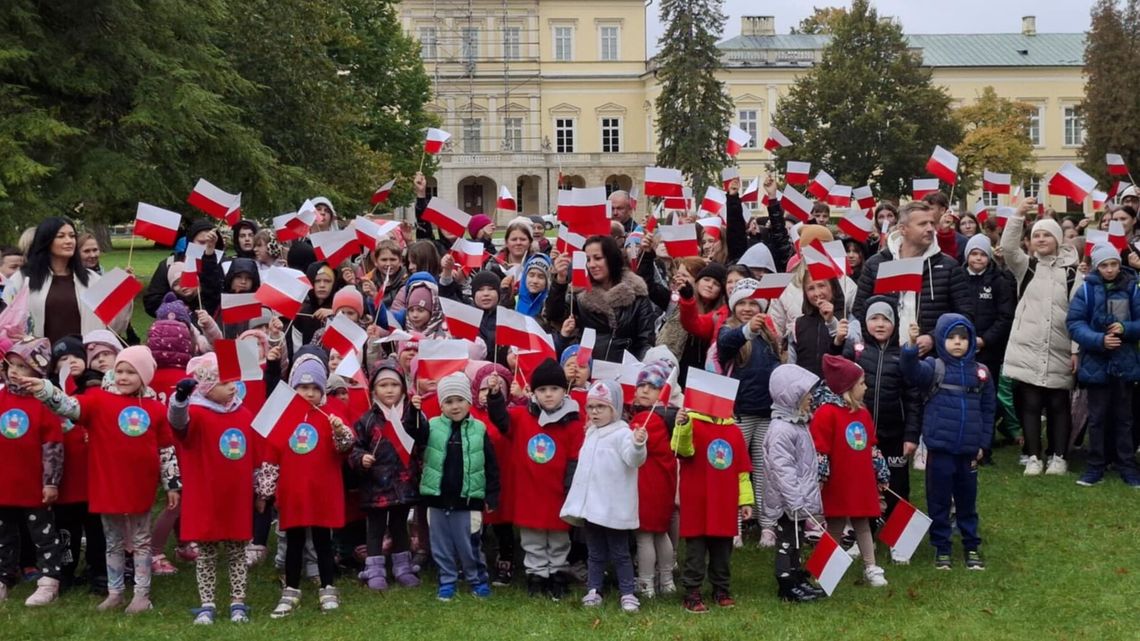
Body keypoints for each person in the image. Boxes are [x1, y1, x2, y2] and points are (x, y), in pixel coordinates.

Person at [20, 345, 179, 613]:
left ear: (145, 376)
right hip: (108, 485)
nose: (124, 377)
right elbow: (68, 406)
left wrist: (172, 483)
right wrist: (45, 390)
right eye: (120, 371)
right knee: (112, 541)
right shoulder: (98, 401)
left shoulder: (155, 409)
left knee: (140, 541)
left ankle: (141, 595)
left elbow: (167, 450)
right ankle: (115, 592)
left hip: (140, 486)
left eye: (131, 372)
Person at [258, 353, 354, 617]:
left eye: (315, 388)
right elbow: (271, 453)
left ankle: (327, 586)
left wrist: (339, 430)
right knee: (294, 541)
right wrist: (265, 491)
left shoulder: (333, 411)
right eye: (303, 387)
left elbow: (345, 447)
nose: (309, 393)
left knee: (323, 541)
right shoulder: (284, 413)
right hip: (294, 491)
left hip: (323, 489)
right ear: (294, 387)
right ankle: (291, 589)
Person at [167, 353, 256, 624]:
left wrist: (259, 485)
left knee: (237, 552)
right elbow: (177, 423)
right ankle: (207, 603)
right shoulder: (196, 414)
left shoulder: (243, 413)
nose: (232, 386)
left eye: (233, 381)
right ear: (206, 387)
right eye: (223, 382)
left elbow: (252, 453)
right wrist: (180, 399)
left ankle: (238, 602)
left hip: (237, 496)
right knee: (206, 553)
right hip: (206, 495)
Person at [901, 315, 994, 571]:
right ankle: (942, 547)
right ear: (941, 339)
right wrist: (910, 347)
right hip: (940, 449)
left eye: (963, 338)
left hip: (968, 452)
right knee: (939, 500)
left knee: (967, 501)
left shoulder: (981, 372)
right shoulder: (934, 367)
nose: (957, 343)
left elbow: (988, 410)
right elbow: (911, 372)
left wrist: (982, 444)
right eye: (952, 337)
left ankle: (971, 545)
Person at [1000, 198, 1080, 476]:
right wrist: (1018, 215)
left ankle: (1059, 456)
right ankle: (1034, 456)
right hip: (1028, 348)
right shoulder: (1027, 267)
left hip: (1060, 347)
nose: (1042, 239)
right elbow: (1009, 248)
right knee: (1030, 405)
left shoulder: (1073, 272)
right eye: (1037, 235)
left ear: (1058, 239)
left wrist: (1076, 349)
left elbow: (1079, 313)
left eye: (1047, 234)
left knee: (1059, 406)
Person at [408, 372, 499, 602]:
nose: (455, 406)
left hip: (468, 500)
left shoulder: (479, 429)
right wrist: (414, 412)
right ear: (441, 405)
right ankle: (447, 581)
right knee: (441, 546)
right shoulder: (432, 426)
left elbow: (491, 464)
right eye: (448, 401)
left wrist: (492, 495)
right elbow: (414, 433)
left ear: (469, 401)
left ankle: (477, 579)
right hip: (438, 500)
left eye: (459, 400)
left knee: (469, 545)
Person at [561, 379, 647, 613]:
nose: (595, 412)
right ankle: (594, 588)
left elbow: (633, 459)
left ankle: (628, 592)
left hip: (613, 507)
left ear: (615, 409)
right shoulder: (591, 433)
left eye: (602, 407)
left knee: (620, 552)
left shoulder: (623, 434)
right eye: (591, 407)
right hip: (592, 507)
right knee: (595, 551)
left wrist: (639, 444)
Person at [671, 379, 753, 613]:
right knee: (696, 549)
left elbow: (741, 471)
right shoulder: (692, 424)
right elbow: (680, 449)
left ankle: (721, 588)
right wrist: (682, 426)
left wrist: (745, 500)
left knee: (722, 550)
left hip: (724, 503)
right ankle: (692, 591)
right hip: (697, 500)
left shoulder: (734, 432)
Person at [844, 298, 921, 544]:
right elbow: (833, 365)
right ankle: (862, 536)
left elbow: (912, 398)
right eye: (874, 318)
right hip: (861, 437)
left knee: (897, 486)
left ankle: (899, 539)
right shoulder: (856, 352)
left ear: (895, 323)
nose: (879, 324)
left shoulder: (902, 357)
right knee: (862, 487)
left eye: (886, 319)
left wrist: (911, 435)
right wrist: (838, 339)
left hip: (894, 434)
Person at [811, 355, 890, 588]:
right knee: (834, 525)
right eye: (862, 383)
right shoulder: (826, 413)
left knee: (862, 522)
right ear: (848, 387)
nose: (865, 387)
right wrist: (821, 477)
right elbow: (821, 449)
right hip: (838, 480)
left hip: (861, 480)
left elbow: (871, 447)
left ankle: (871, 566)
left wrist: (881, 474)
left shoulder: (863, 414)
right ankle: (824, 568)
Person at [854, 201, 973, 356]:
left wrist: (933, 337)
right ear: (903, 229)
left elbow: (964, 314)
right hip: (884, 359)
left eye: (931, 223)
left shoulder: (949, 266)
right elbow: (859, 310)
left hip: (930, 361)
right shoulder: (877, 264)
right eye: (923, 224)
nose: (930, 228)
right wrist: (879, 338)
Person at [508, 359, 583, 600]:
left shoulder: (573, 421)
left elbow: (575, 457)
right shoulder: (523, 415)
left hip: (558, 490)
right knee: (533, 537)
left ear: (564, 390)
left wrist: (570, 487)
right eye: (542, 390)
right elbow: (502, 422)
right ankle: (536, 574)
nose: (548, 395)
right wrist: (498, 398)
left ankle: (558, 574)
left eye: (554, 389)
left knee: (559, 537)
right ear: (533, 392)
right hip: (531, 490)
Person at [715, 278, 782, 546]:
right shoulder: (728, 330)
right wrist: (746, 330)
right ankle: (735, 525)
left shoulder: (769, 335)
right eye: (741, 303)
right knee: (735, 470)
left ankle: (767, 524)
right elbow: (726, 345)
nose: (747, 307)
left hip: (766, 413)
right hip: (739, 414)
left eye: (753, 303)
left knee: (764, 469)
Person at [1066, 244, 1140, 487]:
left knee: (1124, 418)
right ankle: (1095, 465)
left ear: (1119, 264)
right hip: (1096, 363)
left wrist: (1125, 328)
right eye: (1104, 265)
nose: (1109, 269)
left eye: (1114, 264)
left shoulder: (1131, 287)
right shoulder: (1086, 289)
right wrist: (1099, 340)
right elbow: (1075, 323)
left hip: (1124, 362)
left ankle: (1127, 465)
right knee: (1097, 418)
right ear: (1097, 266)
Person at [349, 360, 426, 591]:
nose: (389, 390)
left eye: (394, 384)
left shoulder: (410, 414)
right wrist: (361, 459)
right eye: (383, 385)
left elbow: (421, 437)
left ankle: (402, 567)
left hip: (403, 483)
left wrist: (417, 412)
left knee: (399, 525)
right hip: (375, 486)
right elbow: (355, 448)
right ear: (373, 389)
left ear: (403, 388)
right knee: (375, 527)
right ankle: (374, 569)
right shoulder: (367, 420)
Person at [0, 338, 65, 606]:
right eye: (11, 365)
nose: (14, 371)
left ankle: (49, 579)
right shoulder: (1, 396)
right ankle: (4, 576)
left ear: (37, 371)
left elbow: (53, 447)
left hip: (33, 485)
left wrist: (51, 482)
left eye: (22, 366)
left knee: (43, 534)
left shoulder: (43, 402)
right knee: (3, 535)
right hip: (4, 482)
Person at [3, 217, 132, 344]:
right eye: (61, 236)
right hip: (37, 359)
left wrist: (124, 291)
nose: (69, 241)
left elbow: (111, 325)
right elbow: (6, 320)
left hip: (81, 359)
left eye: (72, 236)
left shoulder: (91, 279)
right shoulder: (23, 279)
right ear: (46, 240)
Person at [762, 363, 826, 602]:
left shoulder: (797, 425)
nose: (811, 398)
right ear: (792, 396)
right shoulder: (781, 430)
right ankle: (786, 581)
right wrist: (795, 499)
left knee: (797, 537)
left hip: (797, 498)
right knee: (787, 539)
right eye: (806, 394)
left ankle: (797, 576)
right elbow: (783, 469)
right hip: (788, 499)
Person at [547, 235, 656, 360]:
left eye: (598, 258)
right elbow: (554, 315)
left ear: (611, 258)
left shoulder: (637, 294)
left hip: (626, 372)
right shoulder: (579, 293)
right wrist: (560, 281)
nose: (592, 264)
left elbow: (645, 341)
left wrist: (639, 370)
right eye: (588, 259)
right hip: (587, 369)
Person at [959, 235, 1016, 462]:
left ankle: (985, 448)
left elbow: (1005, 316)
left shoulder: (999, 280)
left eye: (983, 254)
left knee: (986, 399)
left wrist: (985, 340)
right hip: (960, 347)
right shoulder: (959, 278)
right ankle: (964, 445)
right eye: (974, 253)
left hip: (988, 350)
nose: (978, 258)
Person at [628, 361, 679, 599]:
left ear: (663, 392)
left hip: (646, 486)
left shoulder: (646, 420)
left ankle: (646, 583)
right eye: (641, 385)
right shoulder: (669, 419)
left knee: (644, 536)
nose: (645, 390)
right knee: (661, 534)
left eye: (652, 386)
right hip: (664, 486)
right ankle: (667, 580)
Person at [144, 220, 224, 317]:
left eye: (211, 243)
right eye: (202, 242)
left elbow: (220, 299)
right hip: (175, 326)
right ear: (191, 241)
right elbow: (152, 302)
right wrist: (180, 307)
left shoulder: (224, 265)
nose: (205, 247)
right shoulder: (170, 264)